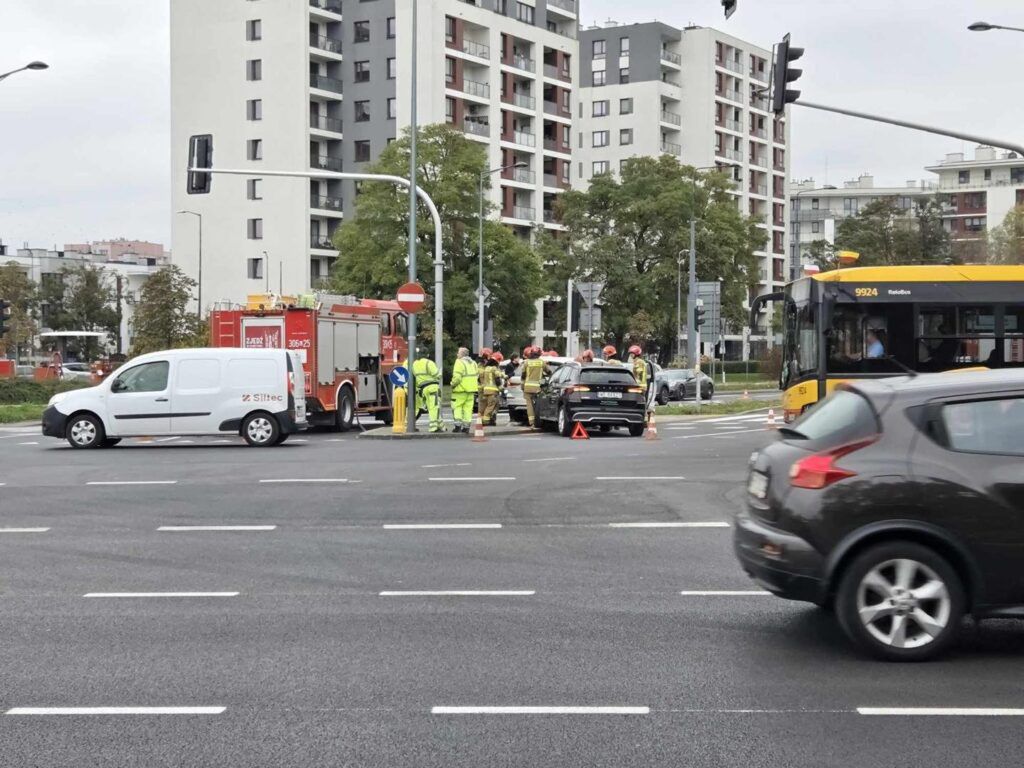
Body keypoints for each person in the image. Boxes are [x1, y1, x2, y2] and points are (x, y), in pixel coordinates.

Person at [450, 347, 479, 433]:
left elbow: (457, 378)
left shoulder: (459, 362)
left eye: (458, 353)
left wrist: (452, 384)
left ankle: (457, 426)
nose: (457, 354)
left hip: (460, 390)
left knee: (457, 407)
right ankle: (466, 427)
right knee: (468, 409)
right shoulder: (473, 363)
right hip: (471, 390)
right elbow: (477, 375)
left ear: (462, 354)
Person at [411, 354, 443, 433]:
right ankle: (433, 427)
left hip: (423, 389)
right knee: (434, 407)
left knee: (430, 407)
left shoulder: (415, 364)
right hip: (433, 387)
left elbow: (414, 376)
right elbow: (437, 375)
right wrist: (440, 372)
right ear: (428, 355)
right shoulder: (429, 363)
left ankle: (440, 426)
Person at [521, 346, 549, 429]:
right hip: (537, 388)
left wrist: (522, 386)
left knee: (529, 405)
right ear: (539, 354)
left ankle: (532, 423)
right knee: (537, 406)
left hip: (527, 387)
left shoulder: (526, 362)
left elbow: (523, 375)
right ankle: (539, 421)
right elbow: (549, 372)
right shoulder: (541, 362)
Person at [628, 345, 656, 413]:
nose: (631, 355)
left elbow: (638, 373)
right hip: (640, 385)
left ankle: (642, 413)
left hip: (640, 385)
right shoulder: (638, 361)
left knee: (639, 402)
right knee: (641, 401)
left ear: (636, 354)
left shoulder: (639, 362)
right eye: (630, 353)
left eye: (632, 353)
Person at [479, 355, 504, 427]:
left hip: (485, 390)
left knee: (486, 405)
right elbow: (497, 379)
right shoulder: (494, 368)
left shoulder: (486, 368)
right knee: (491, 406)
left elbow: (480, 379)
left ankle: (486, 419)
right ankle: (486, 421)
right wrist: (500, 387)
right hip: (493, 390)